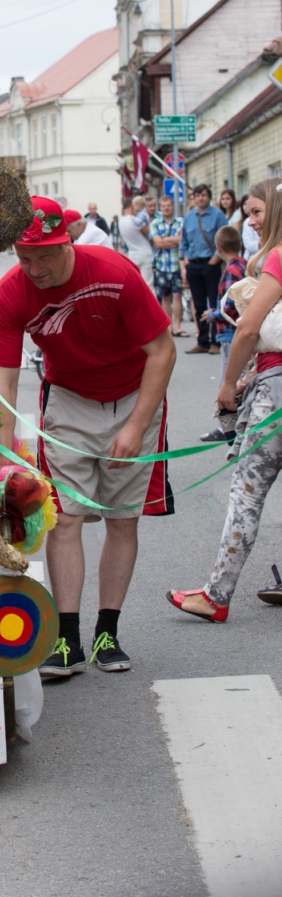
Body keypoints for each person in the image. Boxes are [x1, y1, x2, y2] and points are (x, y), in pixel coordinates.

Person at [0, 196, 175, 675]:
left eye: (45, 256)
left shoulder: (115, 273)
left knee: (121, 518)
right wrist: (3, 459)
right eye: (24, 259)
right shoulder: (11, 293)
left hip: (134, 396)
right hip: (68, 400)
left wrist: (135, 428)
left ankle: (107, 632)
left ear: (66, 240)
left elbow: (162, 351)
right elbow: (4, 383)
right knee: (64, 519)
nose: (35, 270)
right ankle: (65, 640)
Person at [167, 178, 282, 621]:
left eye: (256, 212)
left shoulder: (277, 255)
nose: (248, 222)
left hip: (275, 393)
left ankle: (216, 595)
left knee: (246, 494)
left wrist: (228, 383)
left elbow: (249, 330)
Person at [199, 224, 246, 443]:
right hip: (237, 330)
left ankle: (226, 426)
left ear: (218, 248)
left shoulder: (230, 271)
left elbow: (230, 305)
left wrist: (213, 314)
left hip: (229, 332)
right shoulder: (244, 265)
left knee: (227, 381)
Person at [180, 183, 227, 355]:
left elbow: (225, 236)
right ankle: (202, 341)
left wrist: (215, 258)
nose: (200, 198)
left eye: (204, 195)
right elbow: (183, 241)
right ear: (194, 197)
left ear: (209, 197)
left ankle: (216, 341)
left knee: (214, 303)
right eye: (198, 195)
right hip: (193, 264)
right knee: (198, 304)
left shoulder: (217, 215)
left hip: (210, 263)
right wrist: (185, 261)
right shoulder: (189, 217)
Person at [150, 195, 185, 337]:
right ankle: (168, 327)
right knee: (165, 297)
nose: (166, 208)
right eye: (163, 206)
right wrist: (174, 241)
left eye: (168, 205)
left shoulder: (181, 222)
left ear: (173, 206)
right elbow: (158, 243)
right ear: (160, 208)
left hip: (176, 264)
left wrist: (165, 239)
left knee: (177, 295)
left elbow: (183, 240)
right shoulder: (155, 223)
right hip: (161, 265)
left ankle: (177, 325)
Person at [118, 196, 154, 284]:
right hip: (145, 253)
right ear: (132, 206)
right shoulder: (134, 220)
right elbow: (149, 231)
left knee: (136, 283)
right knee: (148, 284)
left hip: (132, 254)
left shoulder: (121, 221)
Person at [240, 193, 260, 259]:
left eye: (257, 211)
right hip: (253, 261)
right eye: (245, 204)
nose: (247, 206)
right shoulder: (246, 222)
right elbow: (248, 245)